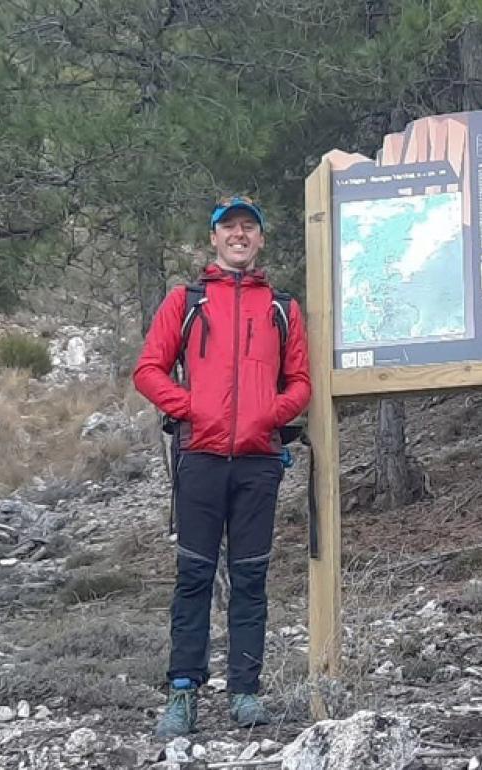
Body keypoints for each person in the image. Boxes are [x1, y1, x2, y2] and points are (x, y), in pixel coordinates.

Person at [134, 195, 312, 735]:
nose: (239, 235)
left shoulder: (282, 308)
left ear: (260, 239)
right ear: (214, 237)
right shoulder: (186, 300)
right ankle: (182, 693)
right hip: (201, 459)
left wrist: (267, 415)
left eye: (248, 227)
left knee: (251, 578)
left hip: (258, 463)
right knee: (194, 577)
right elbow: (148, 370)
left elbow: (301, 383)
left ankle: (245, 694)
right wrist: (194, 408)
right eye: (229, 226)